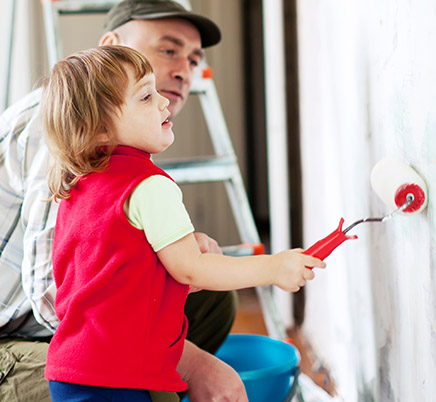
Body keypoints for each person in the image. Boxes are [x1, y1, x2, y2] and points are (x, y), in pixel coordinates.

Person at [40, 44, 325, 402]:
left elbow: (104, 277)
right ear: (98, 129)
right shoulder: (148, 186)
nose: (163, 102)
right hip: (119, 376)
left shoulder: (78, 187)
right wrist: (274, 267)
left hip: (68, 370)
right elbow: (193, 268)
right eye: (146, 97)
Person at [0, 2, 242, 401]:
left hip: (56, 325)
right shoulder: (65, 123)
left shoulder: (127, 139)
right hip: (11, 336)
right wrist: (191, 361)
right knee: (108, 385)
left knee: (212, 300)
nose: (184, 71)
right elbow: (50, 292)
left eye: (193, 59)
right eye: (169, 50)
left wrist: (174, 258)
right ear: (111, 45)